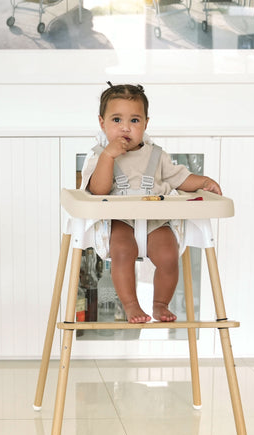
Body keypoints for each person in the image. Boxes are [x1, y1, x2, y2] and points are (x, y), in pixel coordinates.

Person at [81, 83, 221, 324]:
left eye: (134, 121)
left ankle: (160, 303)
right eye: (116, 120)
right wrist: (108, 156)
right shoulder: (99, 156)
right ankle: (131, 304)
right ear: (102, 123)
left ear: (146, 123)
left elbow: (181, 178)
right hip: (120, 221)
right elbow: (98, 190)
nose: (125, 127)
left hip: (156, 220)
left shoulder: (156, 155)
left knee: (169, 255)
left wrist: (204, 181)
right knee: (123, 252)